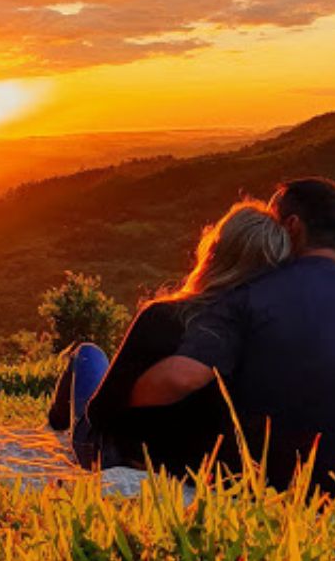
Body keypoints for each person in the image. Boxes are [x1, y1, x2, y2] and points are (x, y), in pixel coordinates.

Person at [129, 177, 335, 504]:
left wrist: (120, 400)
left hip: (266, 485)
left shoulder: (246, 297)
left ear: (291, 226)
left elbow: (182, 376)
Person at [48, 199, 291, 475]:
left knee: (88, 354)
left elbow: (101, 413)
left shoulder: (164, 316)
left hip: (122, 454)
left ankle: (57, 417)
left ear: (214, 252)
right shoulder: (268, 336)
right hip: (206, 468)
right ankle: (57, 415)